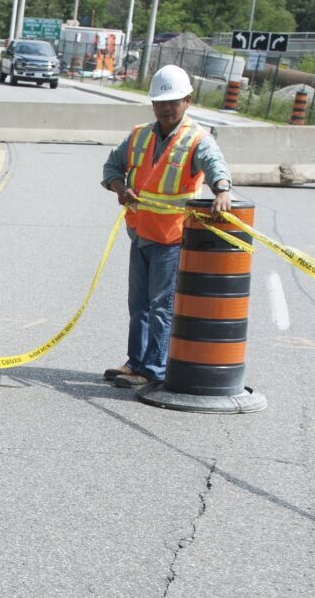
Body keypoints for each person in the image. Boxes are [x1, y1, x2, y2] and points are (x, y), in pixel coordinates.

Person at [100, 65, 236, 389]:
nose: (165, 107)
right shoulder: (139, 136)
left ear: (187, 101)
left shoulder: (196, 139)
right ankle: (135, 363)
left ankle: (152, 369)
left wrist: (223, 189)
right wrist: (120, 188)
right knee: (139, 306)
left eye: (173, 101)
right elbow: (111, 167)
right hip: (141, 233)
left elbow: (215, 164)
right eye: (160, 102)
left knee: (161, 306)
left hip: (172, 238)